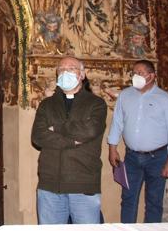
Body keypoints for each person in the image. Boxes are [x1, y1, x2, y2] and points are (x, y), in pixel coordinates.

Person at [31, 56, 107, 224]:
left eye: (71, 69)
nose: (65, 73)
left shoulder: (96, 103)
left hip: (83, 182)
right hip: (50, 184)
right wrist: (73, 140)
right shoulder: (47, 105)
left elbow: (90, 130)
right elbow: (38, 136)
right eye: (61, 70)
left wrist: (56, 128)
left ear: (82, 74)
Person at [108, 59, 168, 223]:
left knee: (154, 202)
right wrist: (112, 148)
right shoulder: (125, 96)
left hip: (158, 158)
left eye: (140, 73)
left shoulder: (165, 99)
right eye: (134, 73)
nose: (136, 76)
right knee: (128, 199)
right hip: (132, 157)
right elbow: (117, 122)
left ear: (151, 76)